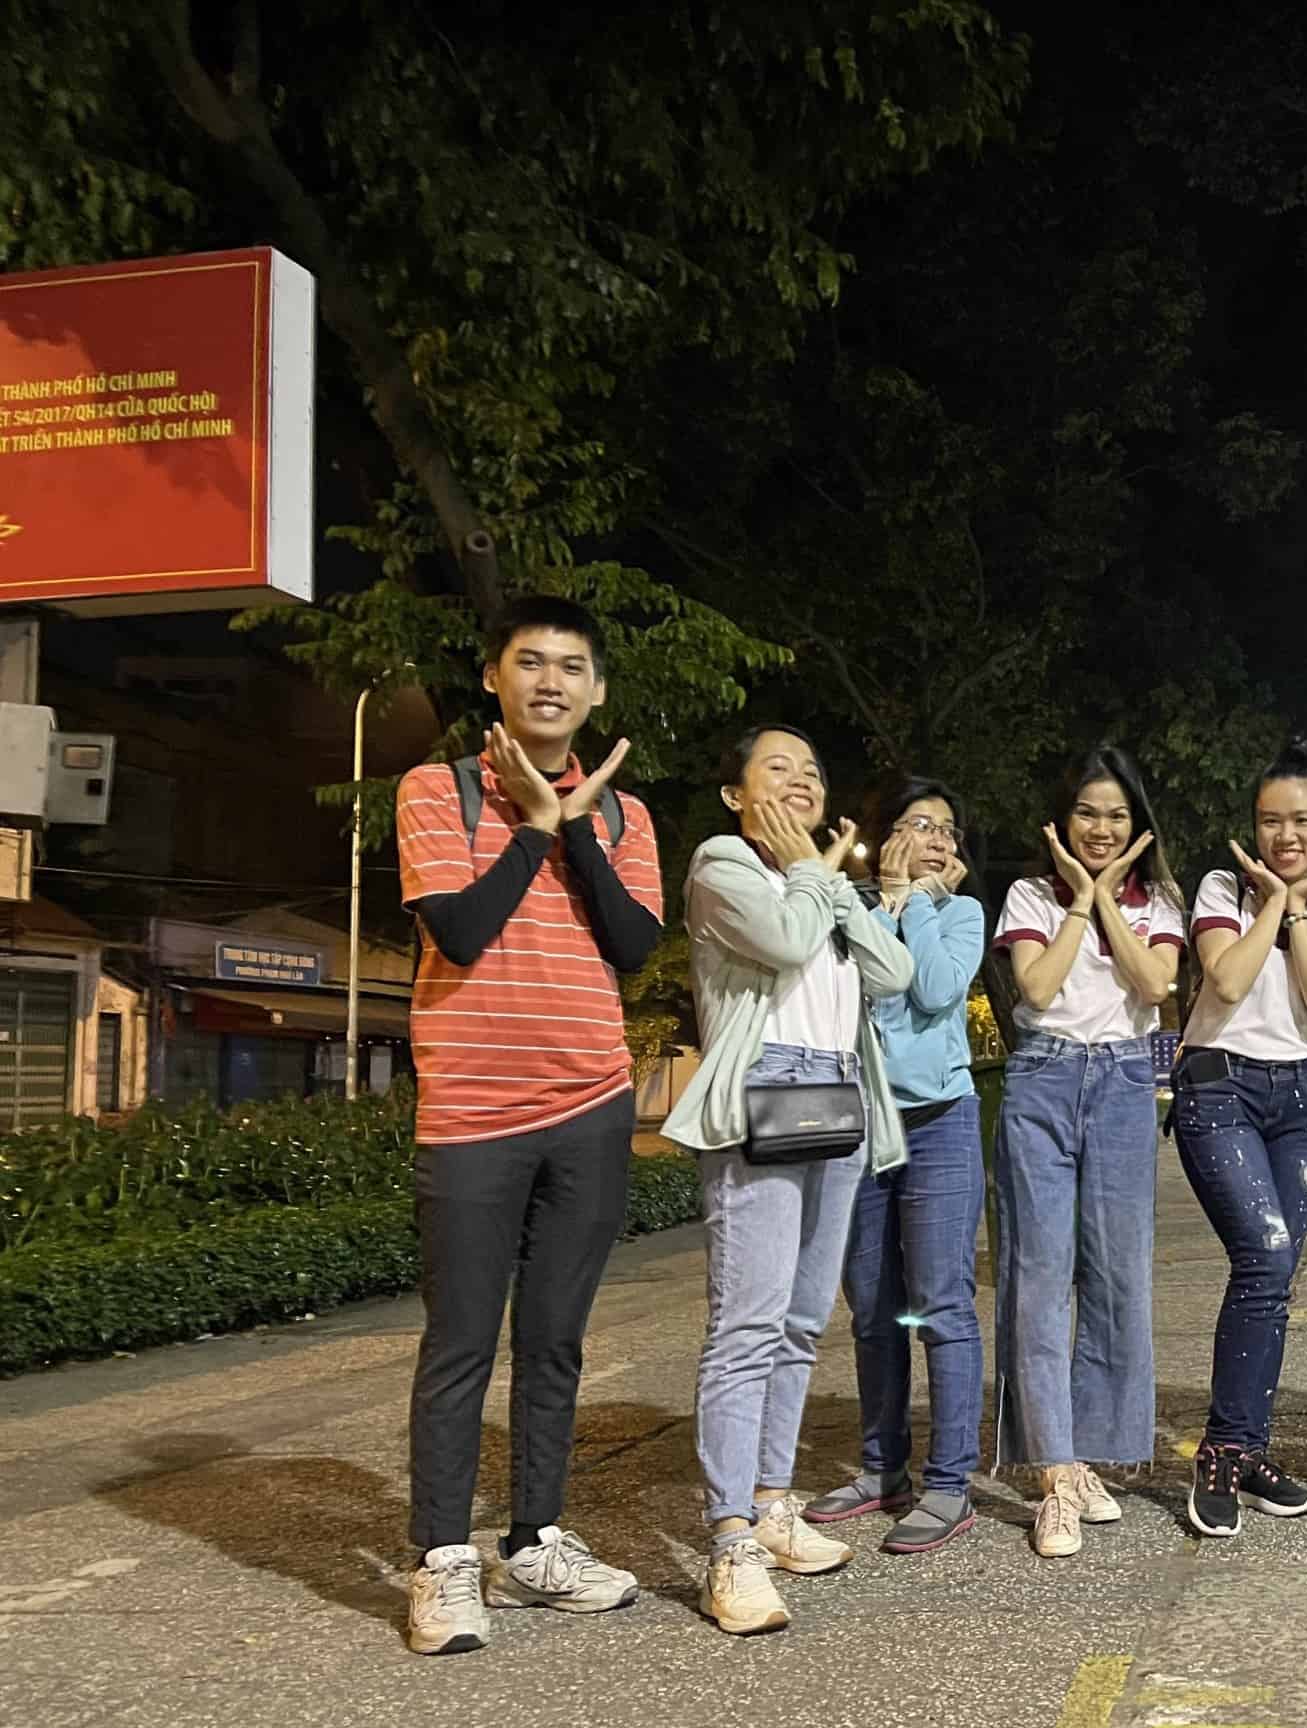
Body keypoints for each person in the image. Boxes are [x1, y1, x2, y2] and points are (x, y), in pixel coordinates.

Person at [395, 594, 663, 1657]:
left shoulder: (625, 816)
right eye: (530, 661)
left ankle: (535, 1539)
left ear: (596, 690)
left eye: (572, 666)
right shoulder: (436, 790)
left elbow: (633, 946)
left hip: (591, 1105)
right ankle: (440, 1559)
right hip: (472, 1111)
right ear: (493, 678)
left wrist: (574, 823)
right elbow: (459, 932)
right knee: (460, 1341)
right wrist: (536, 825)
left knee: (554, 1340)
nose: (552, 680)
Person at [664, 725, 916, 1633]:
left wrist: (833, 881)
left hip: (838, 1100)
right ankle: (730, 1539)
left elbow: (894, 971)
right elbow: (783, 938)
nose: (803, 780)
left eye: (813, 770)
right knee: (748, 1324)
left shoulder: (818, 881)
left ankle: (772, 1502)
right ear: (736, 794)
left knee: (804, 1321)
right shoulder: (723, 863)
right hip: (764, 1096)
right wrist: (815, 874)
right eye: (779, 768)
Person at [991, 747, 1186, 1558]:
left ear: (1138, 824)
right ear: (1061, 822)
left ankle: (1088, 1454)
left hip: (1122, 1083)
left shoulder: (1161, 901)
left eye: (1116, 815)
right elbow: (1037, 988)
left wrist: (1107, 895)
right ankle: (1054, 1473)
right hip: (1043, 1076)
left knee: (1118, 1275)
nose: (1101, 828)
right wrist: (1081, 897)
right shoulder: (1030, 896)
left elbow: (1154, 986)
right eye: (1086, 813)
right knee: (1038, 1278)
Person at [1174, 739, 1307, 1539]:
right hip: (1221, 1088)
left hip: (1301, 1101)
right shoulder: (1223, 888)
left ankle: (1244, 1451)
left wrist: (1301, 910)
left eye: (1302, 821)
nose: (1285, 835)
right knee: (1266, 1256)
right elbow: (1225, 978)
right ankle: (1225, 1451)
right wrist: (1277, 903)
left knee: (1273, 1275)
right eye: (1269, 821)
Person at [805, 780, 990, 1553]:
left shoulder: (961, 913)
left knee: (941, 1302)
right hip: (860, 1124)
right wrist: (884, 902)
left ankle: (950, 1482)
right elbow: (845, 989)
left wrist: (917, 902)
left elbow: (937, 987)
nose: (938, 840)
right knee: (872, 1307)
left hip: (939, 1120)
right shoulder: (847, 909)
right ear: (885, 838)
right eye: (920, 825)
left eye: (948, 830)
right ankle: (884, 1469)